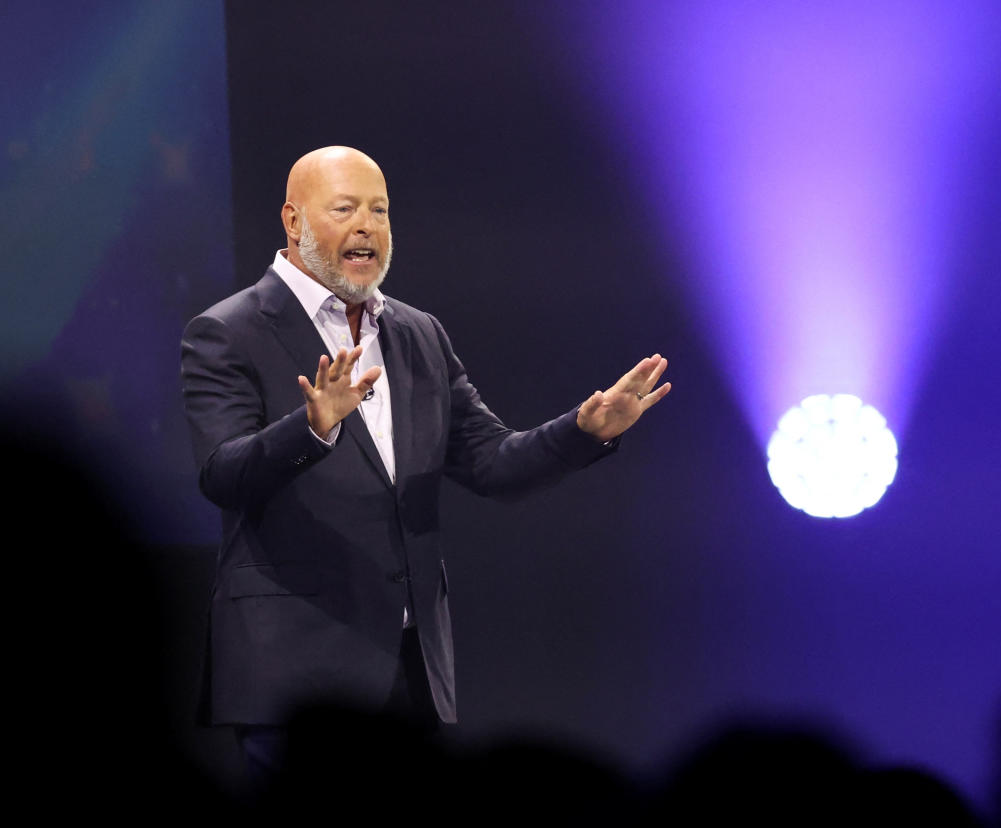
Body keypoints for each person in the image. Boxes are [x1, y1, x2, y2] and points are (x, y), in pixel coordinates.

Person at [181, 146, 670, 776]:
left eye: (380, 210)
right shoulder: (228, 331)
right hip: (296, 681)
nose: (367, 225)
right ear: (293, 221)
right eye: (345, 208)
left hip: (411, 676)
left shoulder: (418, 334)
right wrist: (311, 427)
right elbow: (223, 474)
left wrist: (581, 432)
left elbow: (491, 462)